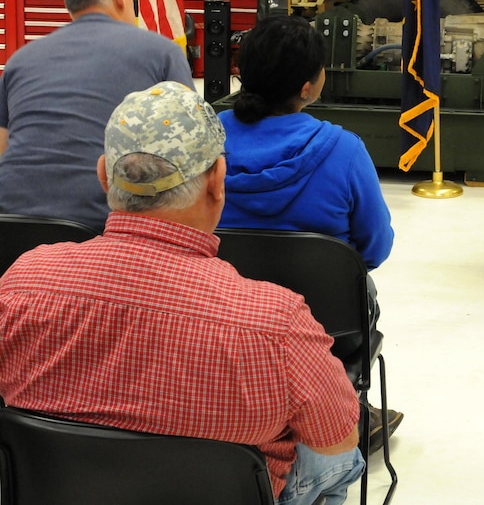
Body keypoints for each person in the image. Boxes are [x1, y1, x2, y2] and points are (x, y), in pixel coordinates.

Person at [0, 82, 363, 505]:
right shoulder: (276, 322)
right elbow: (338, 438)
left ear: (104, 174)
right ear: (218, 181)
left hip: (59, 490)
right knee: (342, 462)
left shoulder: (23, 282)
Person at [217, 15, 400, 453]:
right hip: (324, 324)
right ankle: (343, 410)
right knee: (359, 286)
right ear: (308, 86)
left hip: (219, 316)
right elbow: (376, 247)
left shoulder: (207, 136)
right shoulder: (344, 149)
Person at [0, 0, 193, 231]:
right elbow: (187, 149)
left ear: (69, 2)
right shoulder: (163, 53)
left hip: (11, 223)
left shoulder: (19, 59)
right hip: (102, 224)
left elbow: (4, 148)